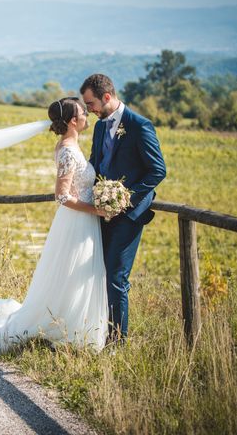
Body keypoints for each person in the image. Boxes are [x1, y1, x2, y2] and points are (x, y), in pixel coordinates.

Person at [0, 97, 110, 361]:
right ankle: (66, 331)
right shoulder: (66, 150)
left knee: (73, 275)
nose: (87, 114)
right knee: (71, 273)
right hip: (76, 220)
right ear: (74, 120)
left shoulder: (72, 146)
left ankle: (75, 328)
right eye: (84, 112)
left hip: (81, 221)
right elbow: (62, 196)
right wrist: (95, 210)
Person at [80, 74, 166, 343]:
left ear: (107, 97)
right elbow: (97, 163)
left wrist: (123, 198)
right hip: (100, 213)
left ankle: (118, 341)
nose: (89, 109)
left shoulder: (139, 126)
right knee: (99, 271)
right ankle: (98, 332)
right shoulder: (99, 127)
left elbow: (157, 170)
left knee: (116, 275)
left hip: (129, 214)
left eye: (91, 103)